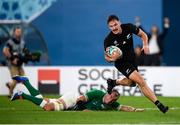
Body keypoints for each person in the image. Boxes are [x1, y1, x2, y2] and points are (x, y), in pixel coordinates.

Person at [104, 15, 168, 113]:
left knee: (132, 83)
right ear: (109, 27)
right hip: (122, 63)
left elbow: (143, 35)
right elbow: (107, 57)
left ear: (119, 22)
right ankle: (159, 105)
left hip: (132, 60)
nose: (114, 28)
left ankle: (113, 82)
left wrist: (145, 45)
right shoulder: (108, 40)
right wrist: (113, 58)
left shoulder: (128, 27)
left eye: (115, 24)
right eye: (111, 26)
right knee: (141, 81)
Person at [11, 75, 144, 112]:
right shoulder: (98, 93)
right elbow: (82, 98)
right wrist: (81, 106)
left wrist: (135, 110)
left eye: (114, 100)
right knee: (48, 107)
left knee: (43, 101)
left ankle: (26, 82)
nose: (112, 100)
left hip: (72, 105)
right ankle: (21, 95)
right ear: (109, 93)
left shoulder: (112, 105)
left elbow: (123, 108)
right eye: (112, 96)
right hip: (72, 100)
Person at [3, 27, 26, 97]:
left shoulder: (22, 42)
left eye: (20, 32)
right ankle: (10, 94)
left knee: (24, 79)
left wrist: (25, 58)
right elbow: (5, 51)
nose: (19, 33)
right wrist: (12, 59)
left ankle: (10, 85)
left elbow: (24, 51)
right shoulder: (10, 42)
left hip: (19, 64)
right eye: (17, 32)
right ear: (14, 33)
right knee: (16, 79)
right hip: (12, 63)